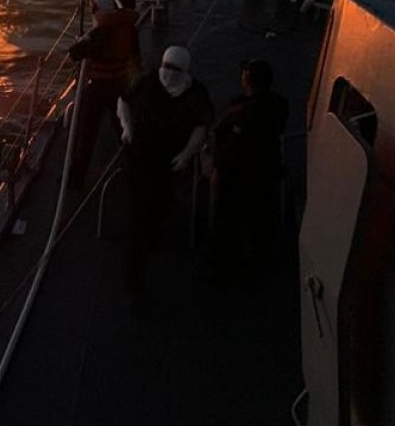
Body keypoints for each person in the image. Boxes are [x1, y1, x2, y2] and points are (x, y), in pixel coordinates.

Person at [118, 46, 213, 289]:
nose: (168, 72)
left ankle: (151, 233)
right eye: (166, 66)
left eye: (174, 68)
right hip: (139, 155)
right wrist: (127, 128)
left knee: (159, 200)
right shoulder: (148, 81)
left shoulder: (195, 94)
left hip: (169, 159)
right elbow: (124, 101)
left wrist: (186, 154)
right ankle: (134, 259)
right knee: (138, 205)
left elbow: (201, 127)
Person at [206, 59, 289, 282]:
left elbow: (227, 148)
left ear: (247, 81)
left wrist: (216, 170)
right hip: (269, 171)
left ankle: (221, 266)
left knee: (225, 218)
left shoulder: (241, 114)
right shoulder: (279, 106)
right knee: (261, 221)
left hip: (240, 177)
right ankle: (262, 256)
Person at [66, 0, 138, 190]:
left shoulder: (99, 34)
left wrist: (83, 41)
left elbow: (75, 54)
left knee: (86, 135)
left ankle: (75, 180)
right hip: (121, 85)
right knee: (124, 129)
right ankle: (135, 166)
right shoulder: (125, 29)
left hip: (98, 89)